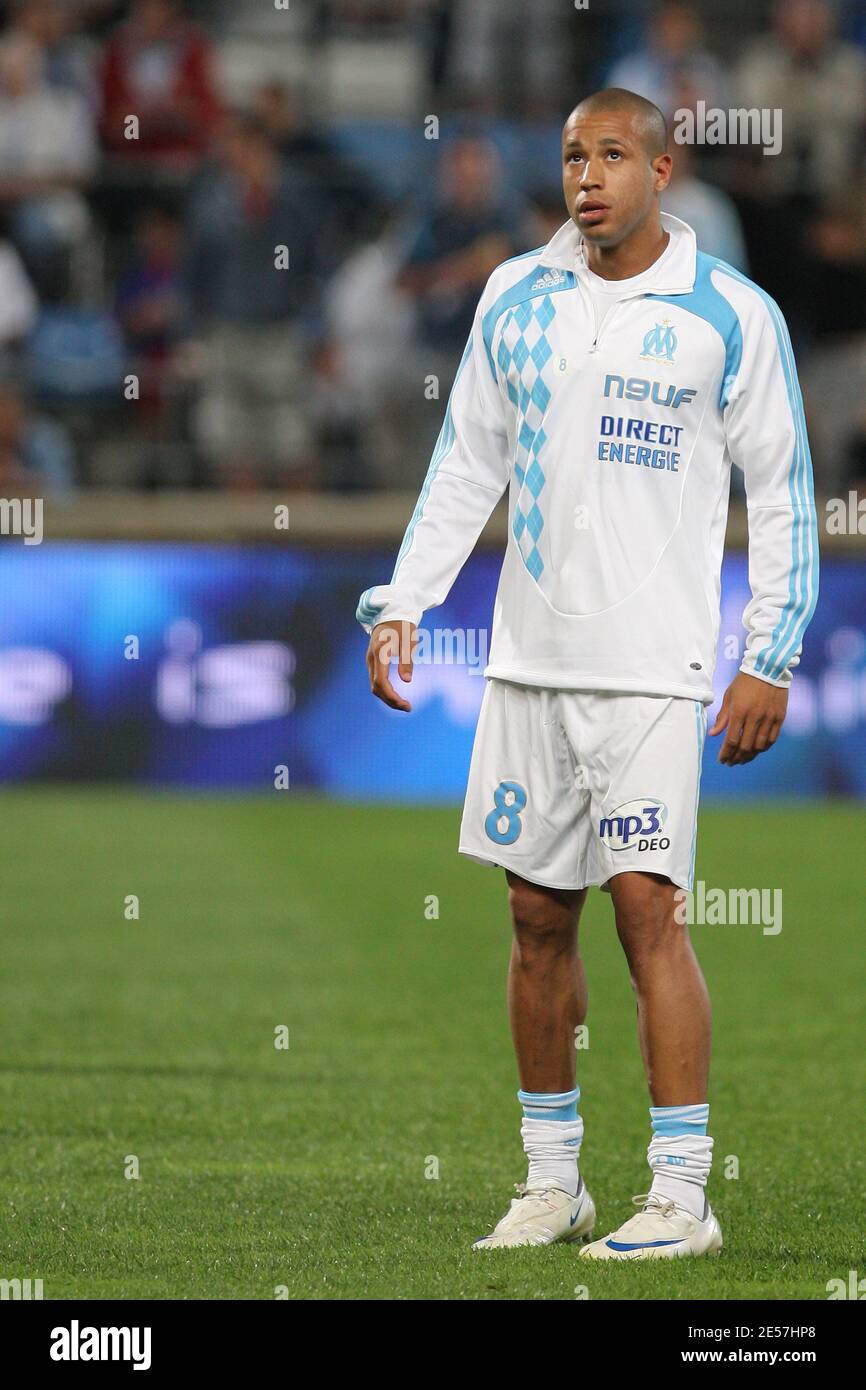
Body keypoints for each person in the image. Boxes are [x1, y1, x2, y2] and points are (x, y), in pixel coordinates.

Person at [357, 89, 818, 1259]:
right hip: (526, 663)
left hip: (652, 669)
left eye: (612, 154)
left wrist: (767, 652)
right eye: (571, 155)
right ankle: (550, 1179)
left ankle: (679, 1195)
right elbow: (463, 461)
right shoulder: (515, 296)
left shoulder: (728, 313)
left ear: (663, 170)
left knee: (647, 916)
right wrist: (402, 599)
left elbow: (780, 496)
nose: (587, 176)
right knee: (529, 919)